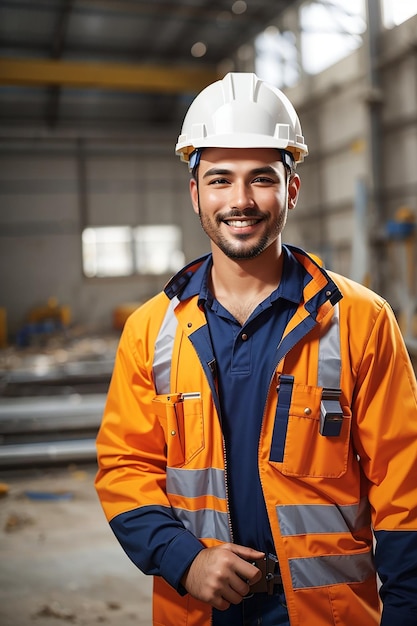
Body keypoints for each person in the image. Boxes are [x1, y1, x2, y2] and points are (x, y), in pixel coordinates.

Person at [95, 72, 417, 626]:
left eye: (261, 179)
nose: (240, 201)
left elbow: (406, 484)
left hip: (327, 615)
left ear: (291, 188)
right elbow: (124, 466)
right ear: (195, 192)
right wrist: (185, 560)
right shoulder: (151, 330)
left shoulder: (362, 320)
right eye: (220, 179)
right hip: (198, 610)